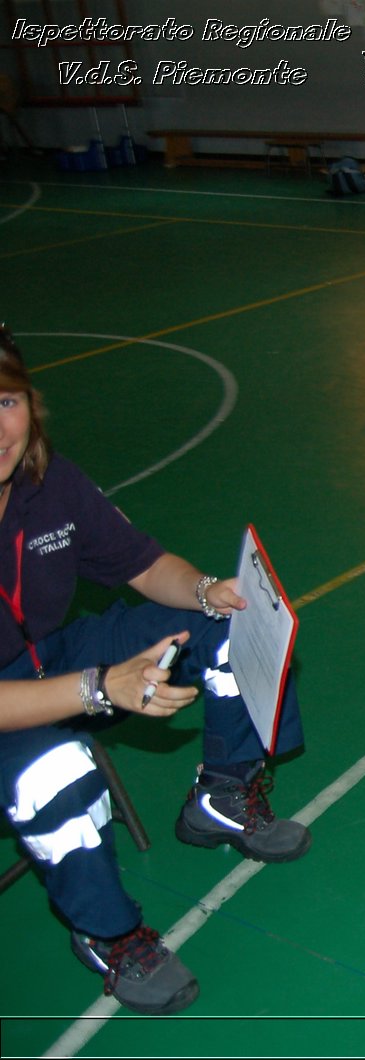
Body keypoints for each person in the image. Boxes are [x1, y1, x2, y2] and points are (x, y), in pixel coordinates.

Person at [0, 326, 310, 1015]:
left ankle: (221, 798)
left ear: (30, 404)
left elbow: (140, 564)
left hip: (49, 658)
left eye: (4, 401)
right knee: (57, 773)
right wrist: (97, 688)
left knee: (230, 629)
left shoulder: (48, 485)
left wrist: (206, 591)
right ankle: (107, 933)